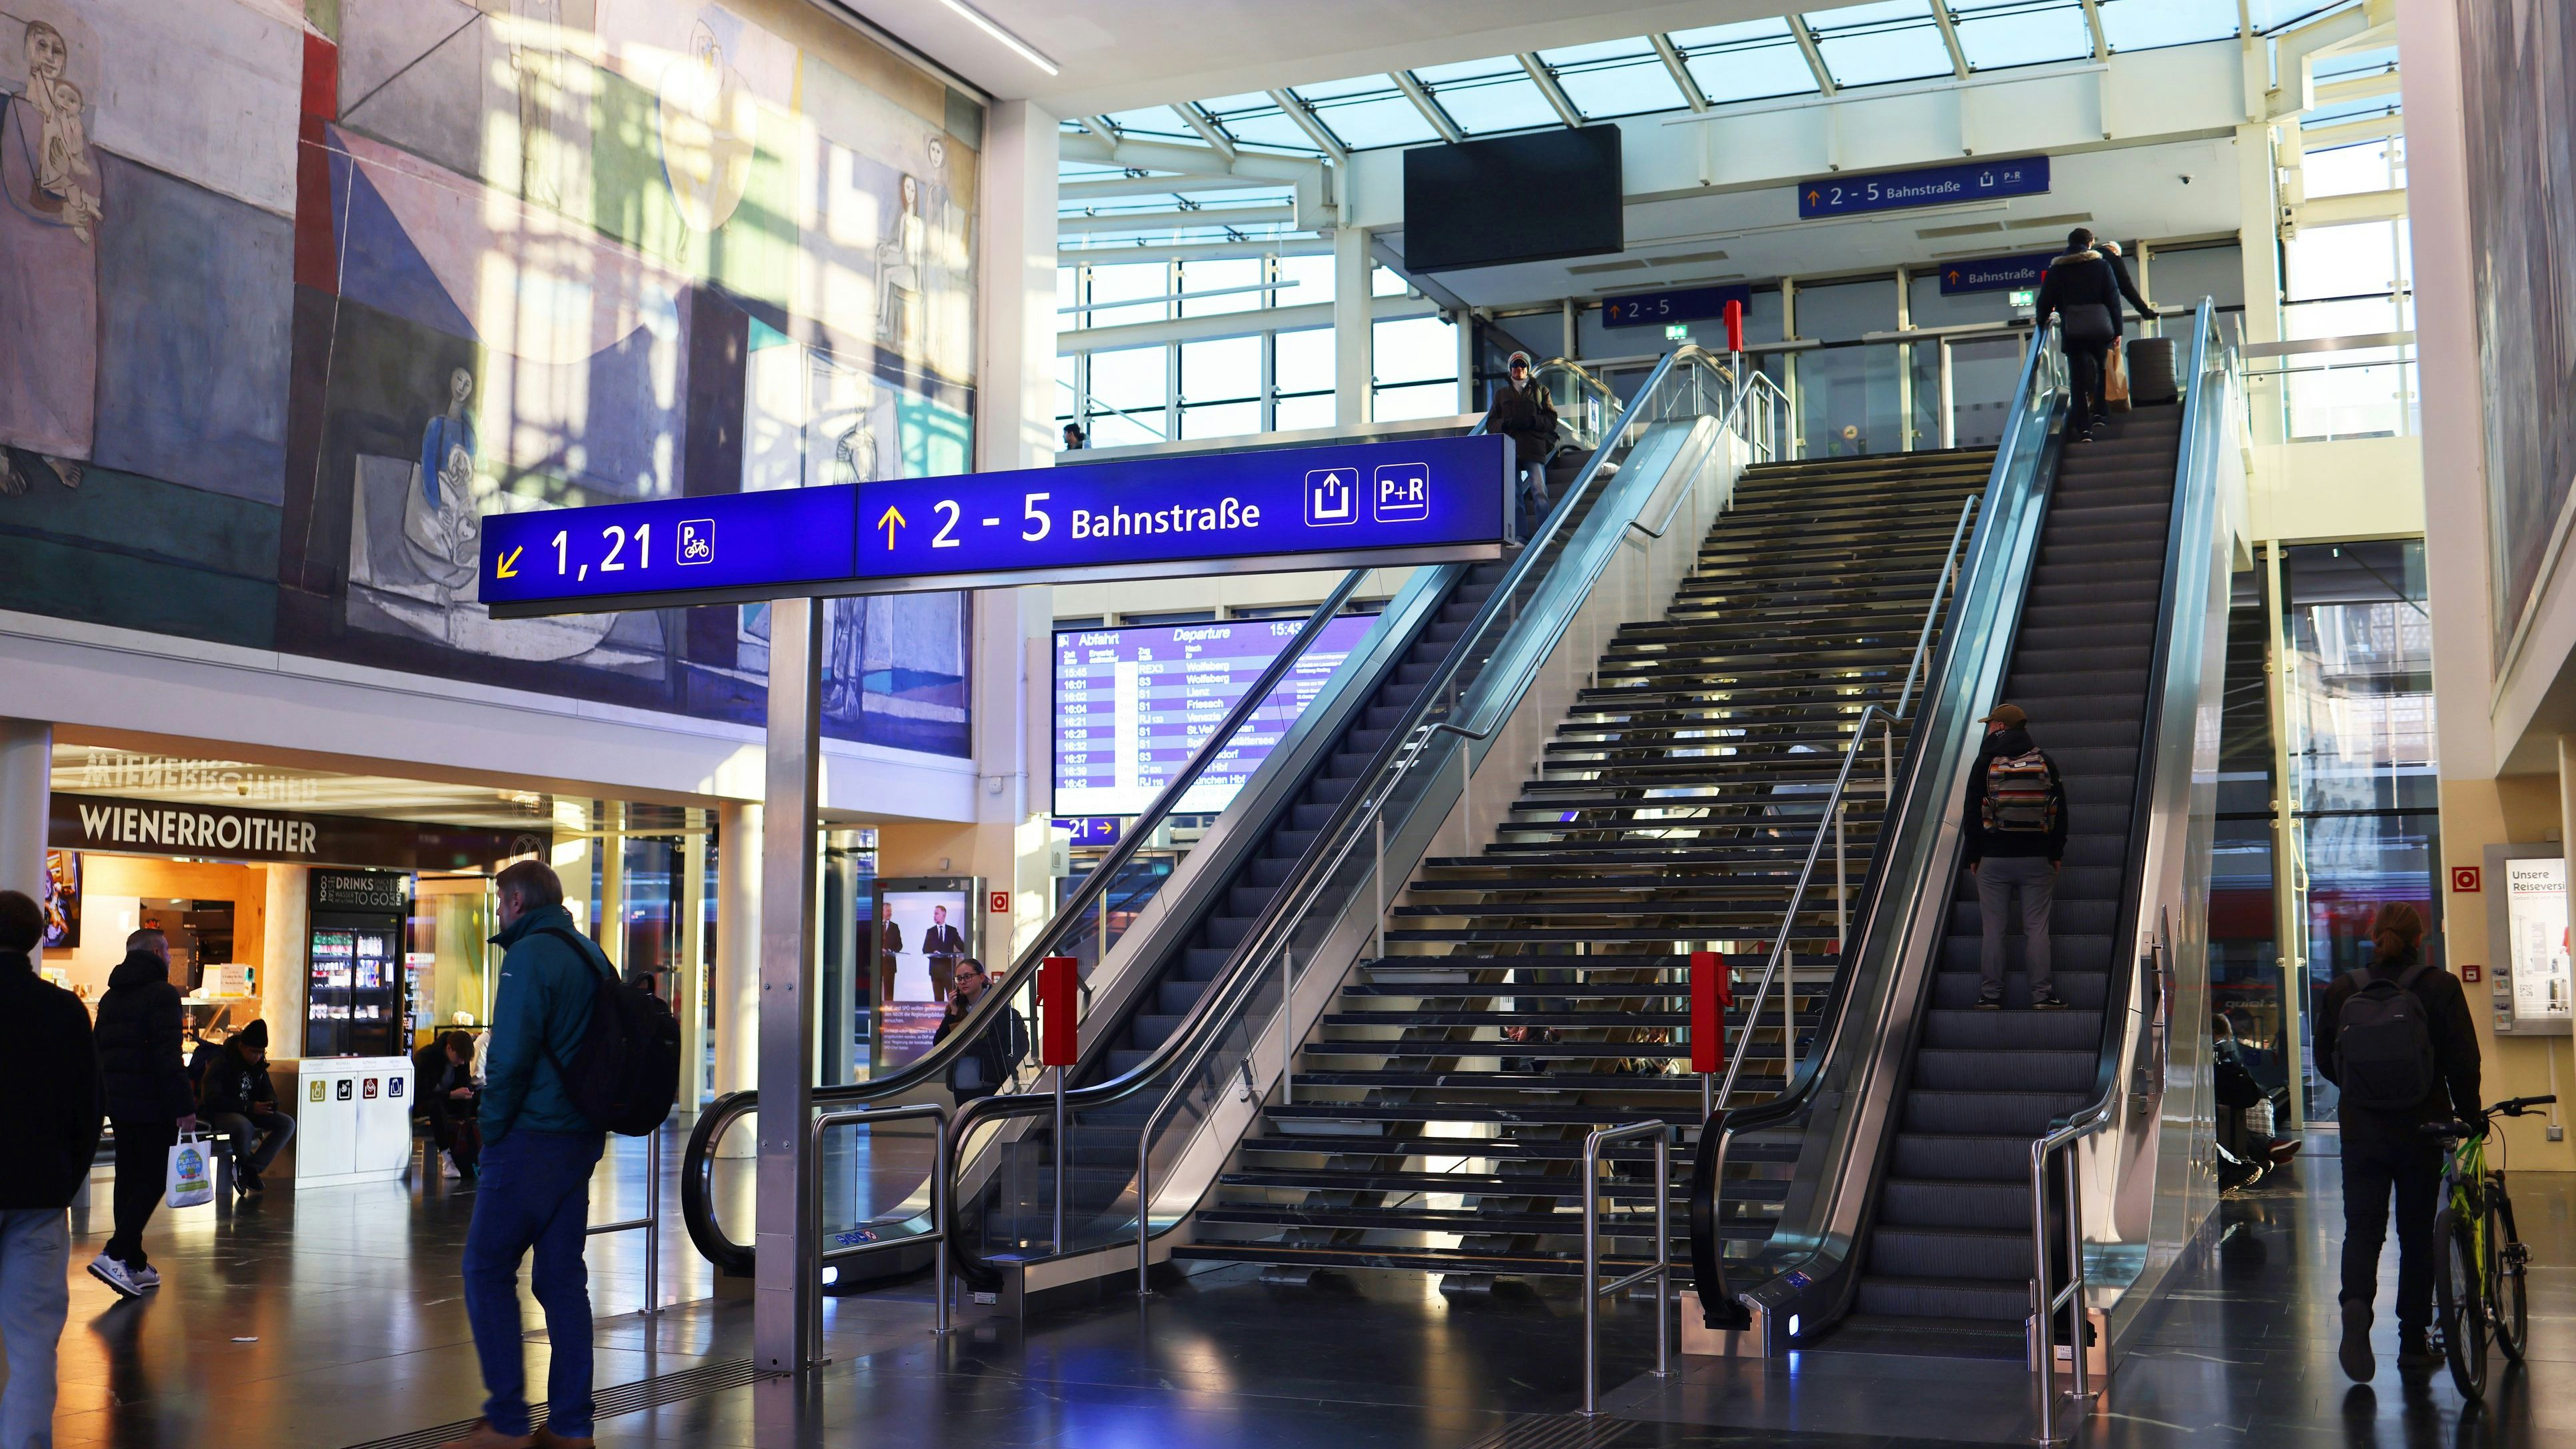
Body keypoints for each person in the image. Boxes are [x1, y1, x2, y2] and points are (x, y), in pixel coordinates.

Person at [446, 860, 606, 1449]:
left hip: (532, 1137)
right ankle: (571, 1426)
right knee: (563, 1279)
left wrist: (489, 1127)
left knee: (485, 1267)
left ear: (514, 900)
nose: (496, 913)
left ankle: (508, 1422)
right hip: (578, 1139)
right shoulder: (590, 954)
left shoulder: (529, 956)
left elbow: (508, 1059)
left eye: (497, 902)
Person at [2317, 902, 2480, 1382]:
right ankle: (2412, 1341)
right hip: (2422, 1126)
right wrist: (2469, 1115)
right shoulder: (2440, 985)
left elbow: (2329, 1057)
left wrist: (2361, 1091)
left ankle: (2355, 1306)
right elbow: (2462, 1060)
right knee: (2416, 1235)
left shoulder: (2344, 987)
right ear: (2420, 937)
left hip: (2362, 1128)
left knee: (2362, 1229)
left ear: (2374, 935)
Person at [0, 889, 101, 1446]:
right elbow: (89, 1107)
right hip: (40, 1195)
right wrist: (66, 1177)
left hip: (39, 1187)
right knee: (34, 1344)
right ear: (38, 937)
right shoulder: (64, 1011)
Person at [89, 926, 196, 1298]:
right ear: (153, 952)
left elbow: (97, 1049)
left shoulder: (111, 996)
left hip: (119, 1104)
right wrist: (184, 1106)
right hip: (154, 1104)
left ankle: (133, 1261)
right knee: (154, 1176)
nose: (169, 958)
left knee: (128, 1176)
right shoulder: (163, 995)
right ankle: (115, 1252)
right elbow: (168, 1056)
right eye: (166, 951)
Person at [1961, 703, 2068, 1011]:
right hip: (2037, 859)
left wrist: (1975, 854)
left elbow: (1972, 811)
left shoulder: (1985, 761)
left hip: (1993, 860)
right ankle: (2041, 995)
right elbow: (2060, 811)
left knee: (1993, 929)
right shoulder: (2044, 760)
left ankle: (1990, 995)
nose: (1988, 728)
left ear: (1999, 727)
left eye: (1990, 724)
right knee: (2037, 929)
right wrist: (2055, 852)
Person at [2032, 227, 2155, 442]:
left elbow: (2044, 302)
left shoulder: (2057, 270)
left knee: (2078, 382)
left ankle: (2083, 429)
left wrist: (2042, 323)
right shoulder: (2101, 265)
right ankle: (2100, 414)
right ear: (2090, 243)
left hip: (2073, 332)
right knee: (2102, 370)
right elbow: (2113, 300)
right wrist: (2118, 330)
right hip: (2100, 329)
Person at [198, 1020, 294, 1195]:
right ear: (242, 1046)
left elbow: (268, 1091)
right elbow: (212, 1099)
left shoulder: (258, 1065)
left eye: (261, 1053)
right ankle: (245, 1168)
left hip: (251, 1110)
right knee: (243, 1125)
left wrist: (271, 1103)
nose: (257, 1057)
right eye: (253, 1052)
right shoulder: (221, 1062)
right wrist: (249, 1107)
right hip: (222, 1112)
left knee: (287, 1124)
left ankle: (250, 1169)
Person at [1481, 351, 1561, 533]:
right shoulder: (1502, 394)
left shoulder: (1541, 391)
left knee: (1540, 491)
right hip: (1510, 448)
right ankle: (1520, 536)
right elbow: (1491, 424)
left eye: (1522, 365)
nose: (1519, 369)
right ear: (1510, 369)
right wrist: (1506, 423)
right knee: (1515, 495)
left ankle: (1544, 534)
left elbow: (1551, 420)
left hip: (1534, 447)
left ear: (1528, 368)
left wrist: (1533, 421)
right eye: (1515, 366)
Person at [934, 959, 1026, 1102]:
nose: (963, 982)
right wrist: (952, 1013)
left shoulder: (998, 1008)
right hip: (961, 1089)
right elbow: (939, 1043)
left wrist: (959, 1047)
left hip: (990, 1086)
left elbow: (997, 1046)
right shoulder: (958, 1009)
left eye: (968, 976)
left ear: (981, 977)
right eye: (959, 978)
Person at [415, 1030, 482, 1180]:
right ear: (449, 1048)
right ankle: (447, 1160)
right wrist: (452, 1095)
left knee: (480, 1097)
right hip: (426, 1103)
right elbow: (421, 1094)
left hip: (449, 1102)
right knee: (436, 1106)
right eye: (459, 1058)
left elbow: (465, 1082)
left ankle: (475, 1151)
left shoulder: (461, 1061)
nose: (462, 1063)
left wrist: (466, 1097)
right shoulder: (426, 1057)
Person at [921, 904, 966, 1003]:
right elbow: (925, 949)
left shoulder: (952, 931)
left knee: (953, 999)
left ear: (944, 915)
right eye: (934, 914)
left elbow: (962, 947)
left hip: (949, 971)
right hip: (935, 971)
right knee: (938, 1000)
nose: (934, 916)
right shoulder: (930, 931)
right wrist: (934, 952)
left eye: (937, 913)